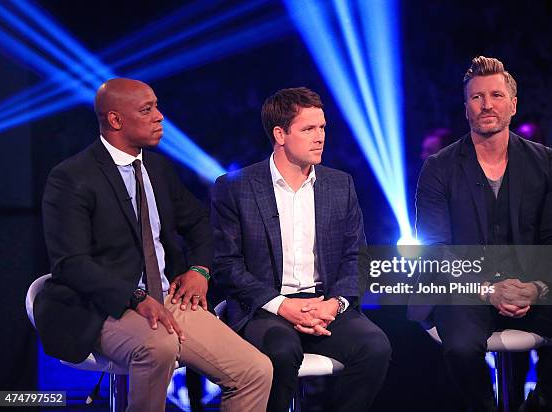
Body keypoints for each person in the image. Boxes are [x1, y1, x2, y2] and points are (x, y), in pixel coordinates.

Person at [35, 78, 272, 412]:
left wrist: (199, 270)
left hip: (168, 300)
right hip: (102, 306)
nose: (160, 116)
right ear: (115, 120)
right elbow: (71, 263)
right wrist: (135, 297)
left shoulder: (158, 168)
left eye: (157, 106)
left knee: (255, 371)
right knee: (158, 346)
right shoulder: (72, 177)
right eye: (147, 110)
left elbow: (199, 223)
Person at [411, 56, 552, 412]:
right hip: (466, 292)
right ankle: (485, 406)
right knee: (462, 348)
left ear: (513, 104)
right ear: (465, 107)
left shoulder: (545, 162)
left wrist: (535, 287)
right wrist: (487, 289)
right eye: (477, 97)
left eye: (496, 95)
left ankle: (542, 400)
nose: (487, 105)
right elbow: (436, 250)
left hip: (530, 287)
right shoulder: (438, 168)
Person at [211, 87, 391, 412]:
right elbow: (227, 266)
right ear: (280, 134)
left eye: (322, 128)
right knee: (281, 351)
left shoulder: (340, 185)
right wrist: (282, 306)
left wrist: (334, 305)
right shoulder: (235, 187)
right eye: (308, 129)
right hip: (265, 307)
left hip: (324, 304)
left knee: (375, 346)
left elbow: (356, 257)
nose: (320, 137)